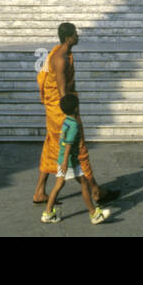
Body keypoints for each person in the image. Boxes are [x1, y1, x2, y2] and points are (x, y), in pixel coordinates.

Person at [33, 22, 118, 204]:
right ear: (69, 37)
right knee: (78, 150)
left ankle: (40, 191)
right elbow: (63, 94)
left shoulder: (62, 53)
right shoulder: (61, 58)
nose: (78, 37)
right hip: (61, 111)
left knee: (51, 146)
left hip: (56, 110)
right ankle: (95, 191)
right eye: (76, 34)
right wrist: (73, 118)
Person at [40, 94, 110, 225]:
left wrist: (62, 161)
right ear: (76, 108)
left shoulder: (66, 121)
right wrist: (66, 162)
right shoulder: (74, 126)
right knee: (84, 183)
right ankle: (93, 213)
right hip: (70, 161)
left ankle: (48, 213)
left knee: (58, 185)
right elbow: (68, 144)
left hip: (61, 159)